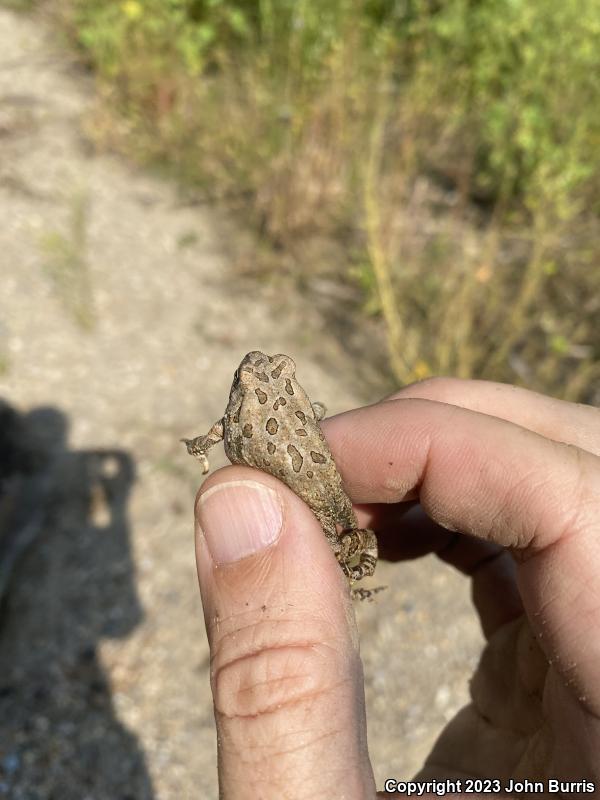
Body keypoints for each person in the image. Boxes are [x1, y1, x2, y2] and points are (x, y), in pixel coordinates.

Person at [192, 378, 600, 798]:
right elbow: (311, 412)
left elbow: (220, 433)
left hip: (318, 491)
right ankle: (347, 574)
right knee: (342, 537)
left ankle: (348, 575)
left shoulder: (235, 417)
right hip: (315, 488)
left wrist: (200, 448)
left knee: (346, 538)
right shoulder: (266, 416)